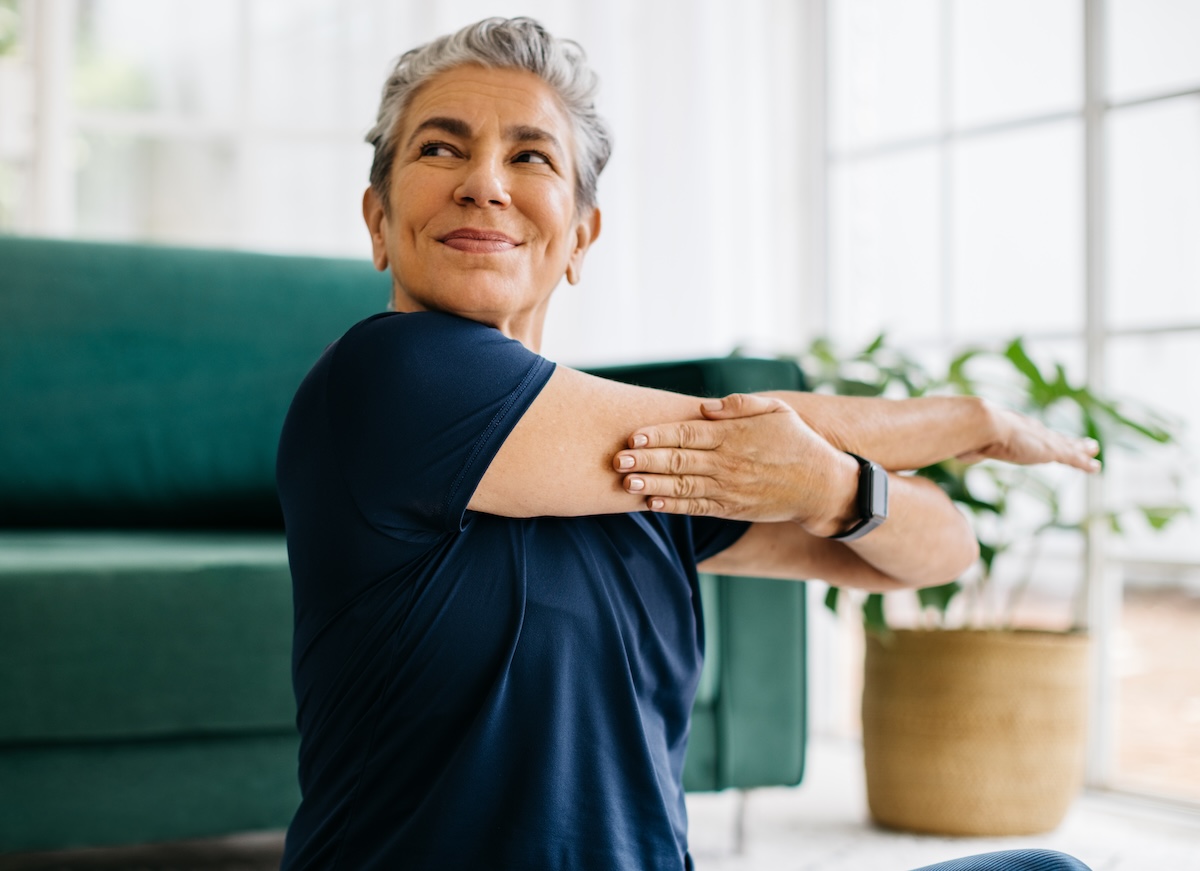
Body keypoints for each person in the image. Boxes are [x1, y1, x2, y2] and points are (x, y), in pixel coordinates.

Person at [275, 17, 1096, 871]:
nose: (485, 182)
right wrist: (969, 421)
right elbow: (720, 430)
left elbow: (937, 552)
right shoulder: (381, 379)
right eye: (442, 149)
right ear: (378, 220)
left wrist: (831, 490)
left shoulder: (650, 471)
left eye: (531, 156)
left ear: (581, 237)